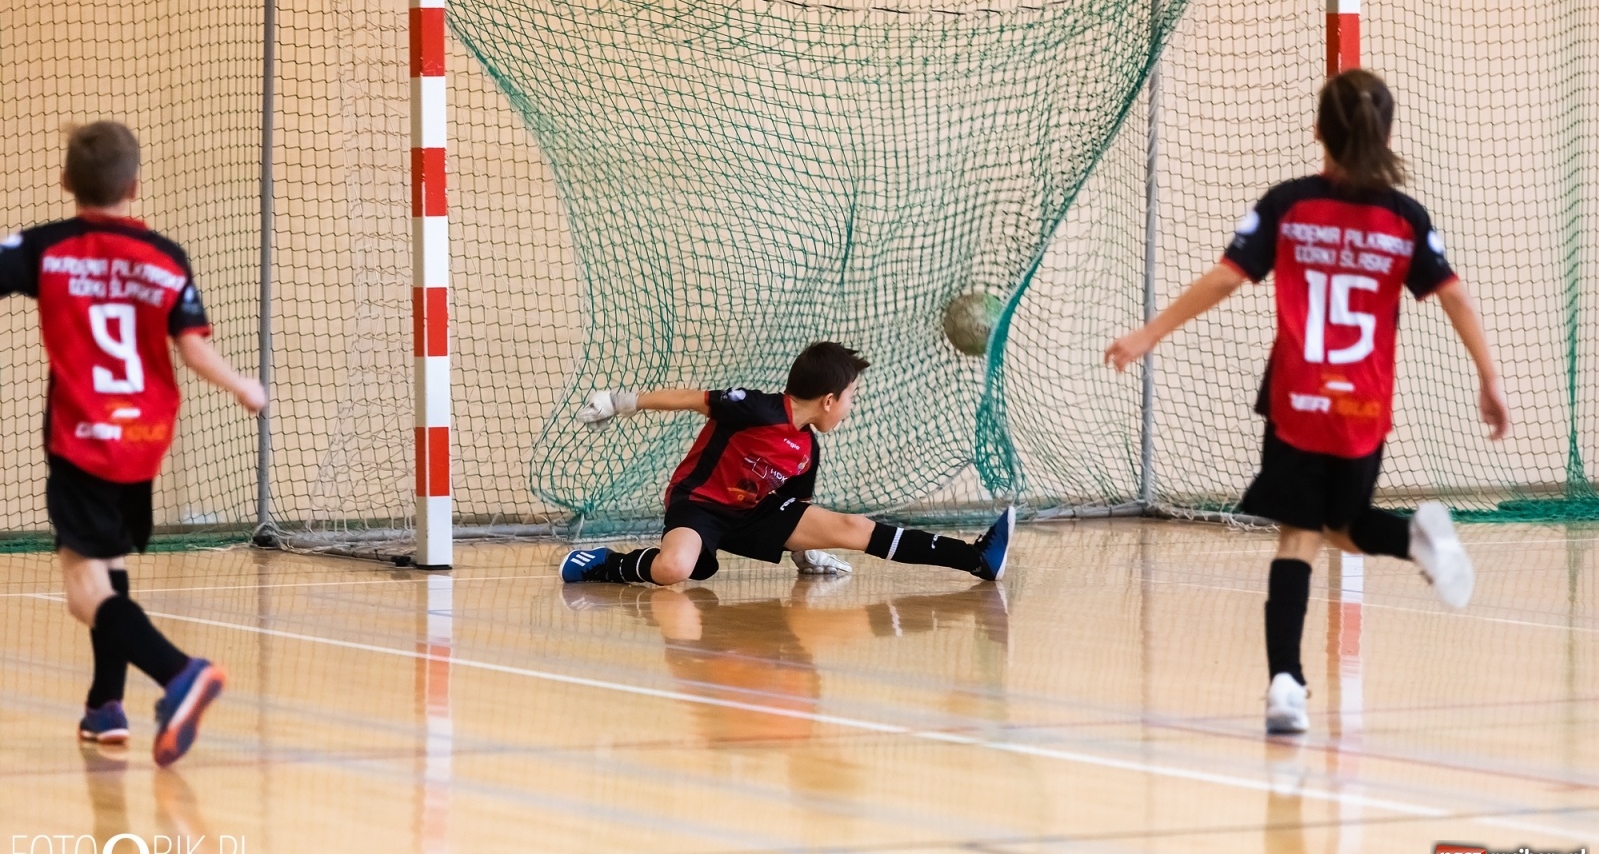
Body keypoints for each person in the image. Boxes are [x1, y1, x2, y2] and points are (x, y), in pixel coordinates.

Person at [1104, 69, 1509, 734]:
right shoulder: (1405, 219)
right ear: (1387, 133)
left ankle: (1286, 684)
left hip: (1298, 397)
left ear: (1318, 129)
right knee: (1342, 529)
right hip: (1364, 407)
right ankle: (1416, 541)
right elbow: (1456, 296)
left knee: (1303, 536)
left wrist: (1150, 333)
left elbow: (1226, 277)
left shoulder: (1289, 205)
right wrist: (1489, 378)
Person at [0, 121, 266, 764]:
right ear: (135, 187)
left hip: (82, 439)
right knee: (109, 567)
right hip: (144, 440)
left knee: (84, 590)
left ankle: (179, 672)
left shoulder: (46, 248)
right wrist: (244, 388)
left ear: (66, 183)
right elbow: (194, 348)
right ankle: (104, 706)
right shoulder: (167, 258)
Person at [559, 341, 1013, 586]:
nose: (851, 406)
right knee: (677, 570)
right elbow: (689, 399)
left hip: (754, 515)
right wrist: (621, 402)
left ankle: (975, 559)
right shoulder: (756, 408)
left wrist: (804, 552)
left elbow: (797, 509)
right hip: (699, 505)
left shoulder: (807, 449)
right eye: (852, 397)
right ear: (829, 399)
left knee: (855, 527)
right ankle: (604, 566)